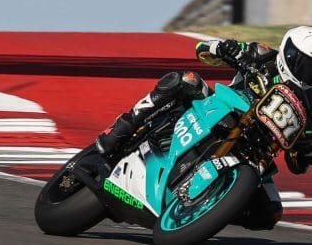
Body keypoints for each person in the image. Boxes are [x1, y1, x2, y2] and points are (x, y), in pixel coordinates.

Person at [95, 26, 312, 229]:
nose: (308, 73)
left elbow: (296, 165)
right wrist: (227, 49)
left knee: (270, 213)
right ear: (289, 53)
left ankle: (207, 207)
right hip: (218, 107)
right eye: (306, 64)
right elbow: (203, 50)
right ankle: (119, 129)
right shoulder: (263, 56)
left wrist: (304, 150)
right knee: (184, 80)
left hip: (256, 153)